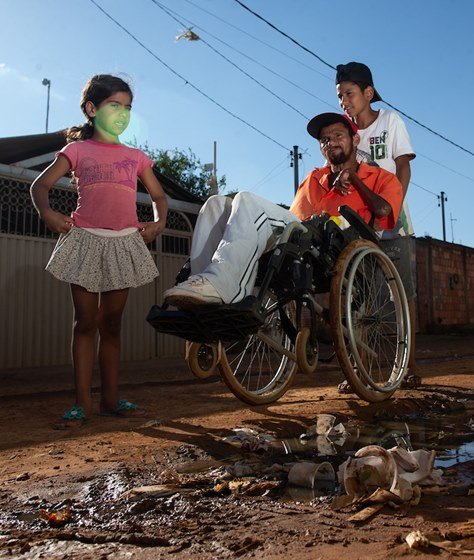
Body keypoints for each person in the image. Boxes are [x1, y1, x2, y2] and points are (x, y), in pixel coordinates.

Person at [30, 74, 168, 429]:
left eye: (128, 108)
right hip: (85, 241)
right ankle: (81, 403)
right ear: (92, 109)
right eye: (114, 105)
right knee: (85, 323)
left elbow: (158, 197)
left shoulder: (136, 157)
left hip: (124, 242)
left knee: (112, 324)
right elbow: (39, 186)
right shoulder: (76, 150)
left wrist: (158, 221)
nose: (122, 113)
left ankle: (110, 400)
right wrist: (48, 213)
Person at [162, 112, 404, 308]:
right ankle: (201, 286)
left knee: (245, 199)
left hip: (340, 245)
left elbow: (383, 210)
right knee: (215, 204)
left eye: (338, 135)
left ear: (355, 139)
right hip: (302, 238)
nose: (331, 142)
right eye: (324, 139)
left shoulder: (380, 177)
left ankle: (223, 287)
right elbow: (294, 220)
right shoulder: (313, 179)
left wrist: (354, 178)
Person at [336, 62, 420, 385]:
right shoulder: (344, 132)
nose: (344, 101)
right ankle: (359, 368)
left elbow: (404, 168)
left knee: (403, 292)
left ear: (368, 93)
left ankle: (410, 365)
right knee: (359, 296)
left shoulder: (390, 122)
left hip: (392, 220)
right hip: (359, 224)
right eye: (340, 96)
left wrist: (393, 210)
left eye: (349, 93)